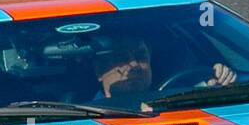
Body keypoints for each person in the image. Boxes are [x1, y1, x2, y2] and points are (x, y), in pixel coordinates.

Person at [91, 37, 235, 110]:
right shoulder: (84, 116)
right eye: (121, 59)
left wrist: (218, 81)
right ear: (99, 70)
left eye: (141, 56)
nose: (134, 64)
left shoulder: (176, 96)